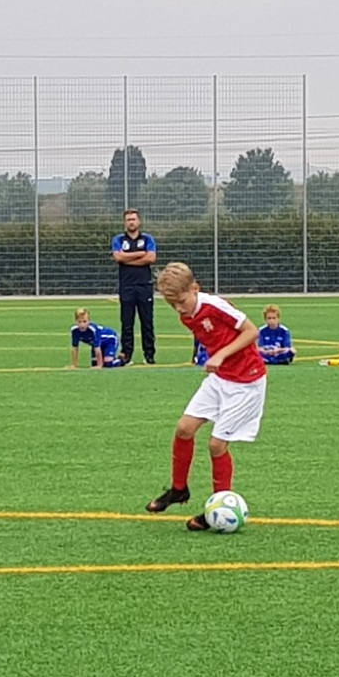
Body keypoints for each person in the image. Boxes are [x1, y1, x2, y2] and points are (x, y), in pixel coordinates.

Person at [145, 262, 267, 531]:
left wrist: (221, 355)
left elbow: (252, 331)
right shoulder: (186, 314)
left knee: (216, 445)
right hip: (221, 378)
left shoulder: (214, 306)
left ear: (195, 288)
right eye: (172, 304)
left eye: (181, 301)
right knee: (184, 429)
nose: (178, 309)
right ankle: (179, 489)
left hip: (246, 382)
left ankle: (219, 507)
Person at [111, 209, 157, 364]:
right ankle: (126, 355)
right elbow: (118, 256)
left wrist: (128, 260)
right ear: (125, 222)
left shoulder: (147, 238)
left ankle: (149, 355)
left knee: (147, 322)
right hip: (127, 286)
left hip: (144, 286)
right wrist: (140, 254)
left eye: (133, 219)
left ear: (139, 221)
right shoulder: (118, 239)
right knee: (127, 323)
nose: (131, 222)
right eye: (128, 220)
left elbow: (151, 257)